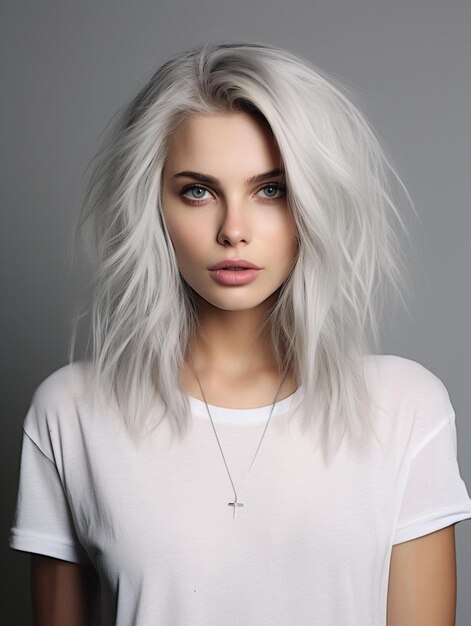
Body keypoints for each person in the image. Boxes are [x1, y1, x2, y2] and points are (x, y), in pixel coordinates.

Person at [8, 41, 471, 626]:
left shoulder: (405, 408)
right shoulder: (71, 412)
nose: (233, 230)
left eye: (270, 189)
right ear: (154, 206)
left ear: (314, 201)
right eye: (198, 191)